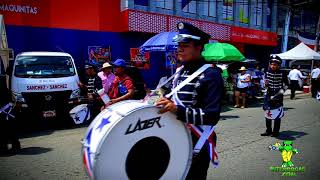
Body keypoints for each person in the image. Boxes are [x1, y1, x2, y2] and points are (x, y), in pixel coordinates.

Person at [156, 22, 223, 180]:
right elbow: (176, 101)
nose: (179, 49)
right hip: (177, 136)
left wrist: (177, 110)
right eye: (179, 45)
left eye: (185, 45)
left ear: (199, 47)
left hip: (197, 140)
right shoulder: (180, 71)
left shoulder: (211, 74)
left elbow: (212, 116)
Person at [261, 55, 286, 137]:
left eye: (275, 64)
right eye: (271, 64)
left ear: (279, 65)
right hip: (268, 95)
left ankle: (276, 132)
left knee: (277, 115)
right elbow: (264, 86)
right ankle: (268, 130)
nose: (273, 66)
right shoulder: (267, 72)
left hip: (278, 96)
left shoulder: (283, 73)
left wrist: (280, 94)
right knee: (267, 113)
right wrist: (265, 85)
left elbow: (286, 85)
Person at [0, 75, 21, 154]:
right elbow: (12, 99)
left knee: (3, 130)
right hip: (9, 111)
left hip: (5, 112)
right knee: (11, 129)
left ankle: (3, 147)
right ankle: (15, 145)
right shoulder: (6, 90)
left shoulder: (5, 90)